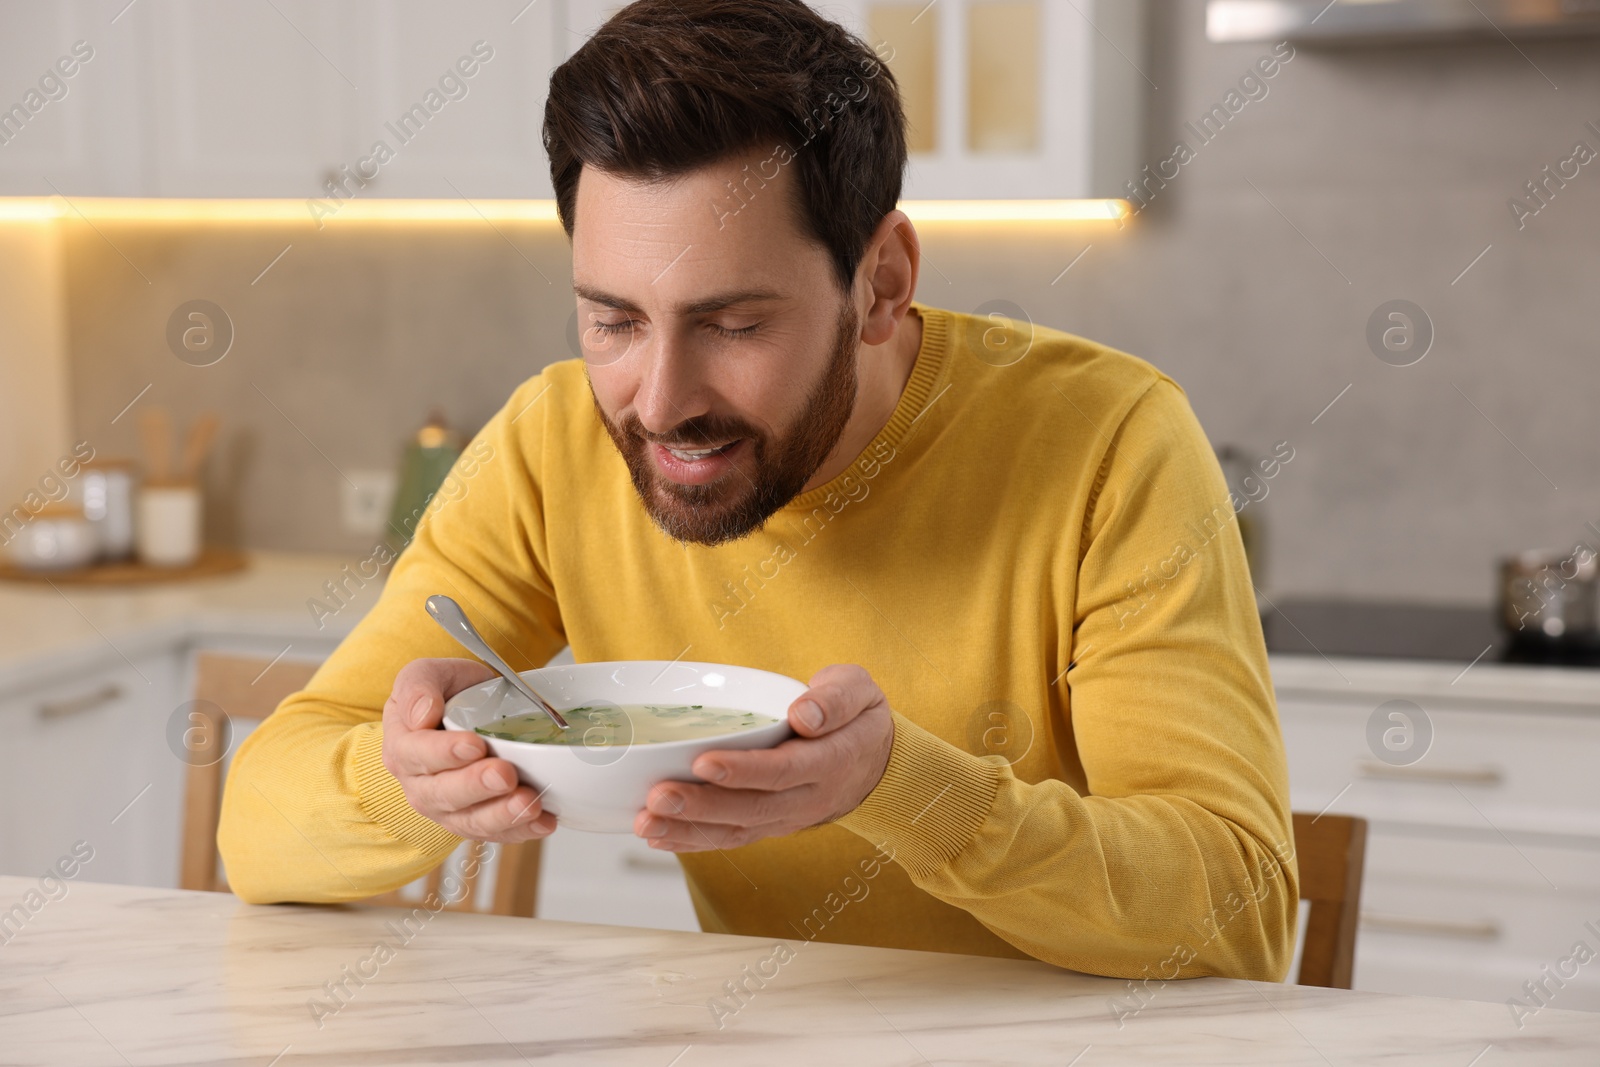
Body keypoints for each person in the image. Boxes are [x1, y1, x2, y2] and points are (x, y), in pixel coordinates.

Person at [218, 0, 1299, 982]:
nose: (659, 402)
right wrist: (404, 780)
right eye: (613, 321)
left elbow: (1235, 913)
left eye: (734, 325)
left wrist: (903, 785)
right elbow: (257, 829)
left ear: (880, 282)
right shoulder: (550, 445)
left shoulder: (1108, 442)